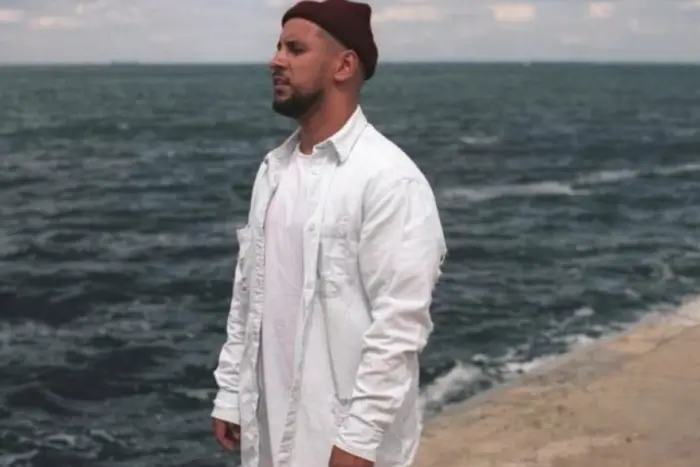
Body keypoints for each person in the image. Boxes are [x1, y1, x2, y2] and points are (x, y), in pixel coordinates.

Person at [210, 1, 447, 466]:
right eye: (279, 47)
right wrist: (232, 390)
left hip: (344, 447)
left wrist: (357, 443)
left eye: (295, 49)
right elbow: (249, 293)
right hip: (270, 439)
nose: (275, 60)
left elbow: (398, 329)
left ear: (344, 65)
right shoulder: (273, 171)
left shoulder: (389, 180)